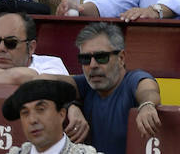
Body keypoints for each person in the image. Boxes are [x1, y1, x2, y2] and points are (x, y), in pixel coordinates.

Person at [64, 22, 161, 154]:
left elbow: (148, 89)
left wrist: (147, 104)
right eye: (85, 59)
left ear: (121, 58)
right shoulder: (85, 85)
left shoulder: (132, 80)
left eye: (101, 57)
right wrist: (70, 105)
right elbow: (45, 82)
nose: (92, 65)